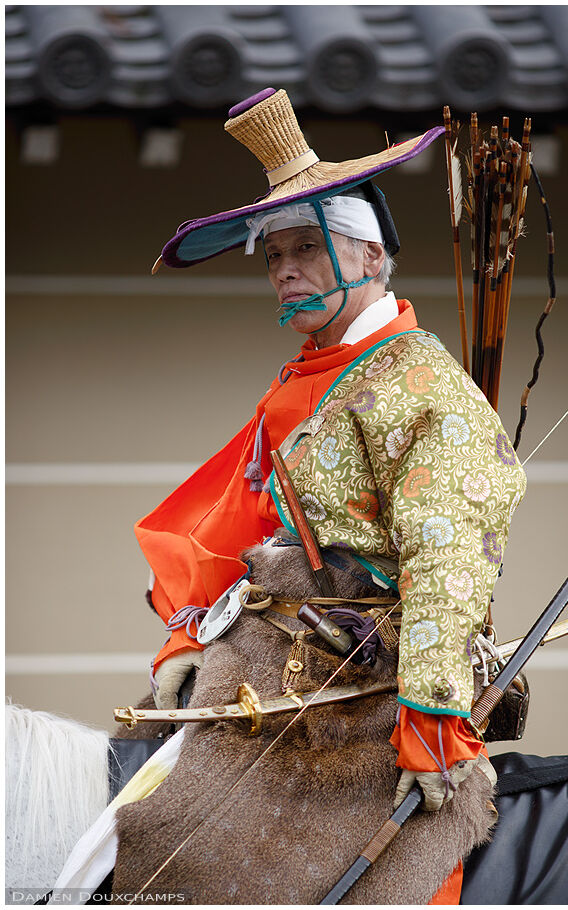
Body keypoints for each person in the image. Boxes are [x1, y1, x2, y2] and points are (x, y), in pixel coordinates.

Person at [135, 88, 526, 903]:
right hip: (269, 665)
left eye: (307, 249)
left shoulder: (424, 386)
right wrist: (185, 635)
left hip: (371, 689)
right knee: (148, 816)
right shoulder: (306, 383)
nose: (285, 271)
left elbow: (446, 556)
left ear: (372, 257)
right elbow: (236, 520)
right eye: (273, 254)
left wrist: (429, 715)